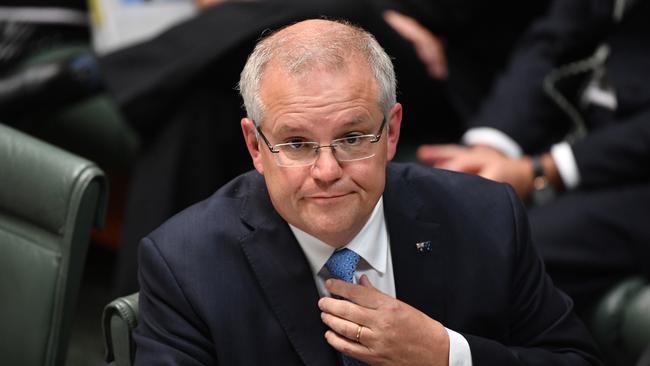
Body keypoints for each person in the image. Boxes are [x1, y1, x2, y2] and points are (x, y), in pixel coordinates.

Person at [134, 19, 602, 365]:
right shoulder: (184, 262)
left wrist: (447, 354)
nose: (326, 170)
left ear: (392, 132)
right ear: (256, 147)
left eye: (352, 138)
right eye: (296, 144)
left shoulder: (485, 216)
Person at [417, 0, 650, 315]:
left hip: (633, 184)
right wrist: (490, 147)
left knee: (498, 246)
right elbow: (549, 44)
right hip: (568, 143)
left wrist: (542, 170)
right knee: (418, 206)